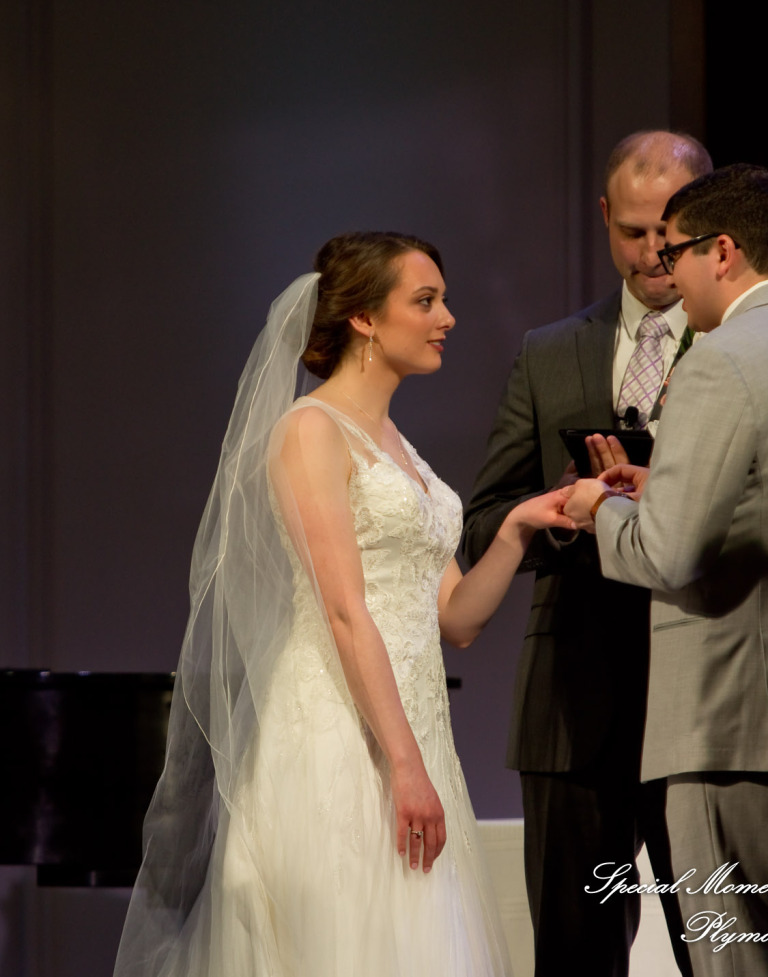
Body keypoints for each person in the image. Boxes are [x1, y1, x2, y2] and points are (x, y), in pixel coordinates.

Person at [112, 232, 577, 977]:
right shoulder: (311, 431)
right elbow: (344, 610)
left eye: (443, 300)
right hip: (338, 736)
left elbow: (457, 619)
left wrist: (519, 526)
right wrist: (404, 765)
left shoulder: (398, 447)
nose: (447, 318)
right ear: (364, 318)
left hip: (413, 735)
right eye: (425, 301)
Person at [565, 164, 768, 976]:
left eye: (674, 251)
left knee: (745, 961)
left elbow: (668, 553)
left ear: (724, 251)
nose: (665, 271)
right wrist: (663, 486)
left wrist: (597, 507)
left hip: (732, 724)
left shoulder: (721, 359)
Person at [462, 130, 712, 976]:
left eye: (668, 232)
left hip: (700, 696)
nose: (652, 253)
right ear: (604, 217)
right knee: (574, 957)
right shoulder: (550, 349)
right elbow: (482, 520)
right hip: (572, 706)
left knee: (718, 953)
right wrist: (561, 509)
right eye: (632, 232)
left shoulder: (737, 345)